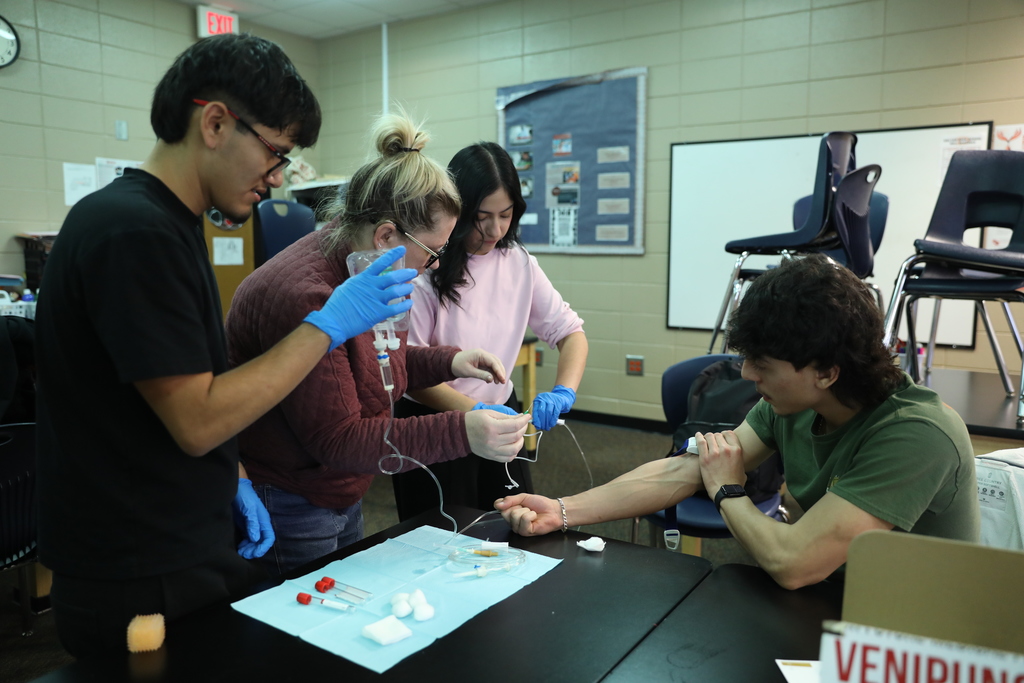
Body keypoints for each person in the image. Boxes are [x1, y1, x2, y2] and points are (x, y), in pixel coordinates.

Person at [34, 34, 416, 657]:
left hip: (175, 537)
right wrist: (325, 326)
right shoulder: (134, 232)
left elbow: (181, 382)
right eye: (275, 153)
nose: (279, 177)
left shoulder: (166, 223)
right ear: (215, 122)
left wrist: (232, 473)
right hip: (137, 565)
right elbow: (198, 421)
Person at [497, 254, 980, 590]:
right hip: (835, 599)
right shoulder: (794, 403)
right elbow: (684, 470)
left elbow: (793, 563)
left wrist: (728, 489)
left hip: (915, 632)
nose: (747, 375)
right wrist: (561, 510)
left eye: (762, 365)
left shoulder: (915, 435)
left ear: (827, 372)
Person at [224, 115, 532, 576]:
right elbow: (338, 438)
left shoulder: (366, 262)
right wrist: (463, 431)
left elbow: (376, 361)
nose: (434, 266)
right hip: (292, 495)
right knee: (306, 614)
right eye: (432, 252)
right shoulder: (306, 295)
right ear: (387, 235)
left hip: (341, 484)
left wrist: (450, 362)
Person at [392, 142, 588, 520]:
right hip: (436, 424)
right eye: (482, 217)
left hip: (500, 419)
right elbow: (409, 373)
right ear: (458, 211)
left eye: (505, 214)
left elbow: (571, 334)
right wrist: (474, 411)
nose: (495, 229)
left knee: (515, 524)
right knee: (442, 537)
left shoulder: (519, 262)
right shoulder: (424, 269)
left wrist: (564, 391)